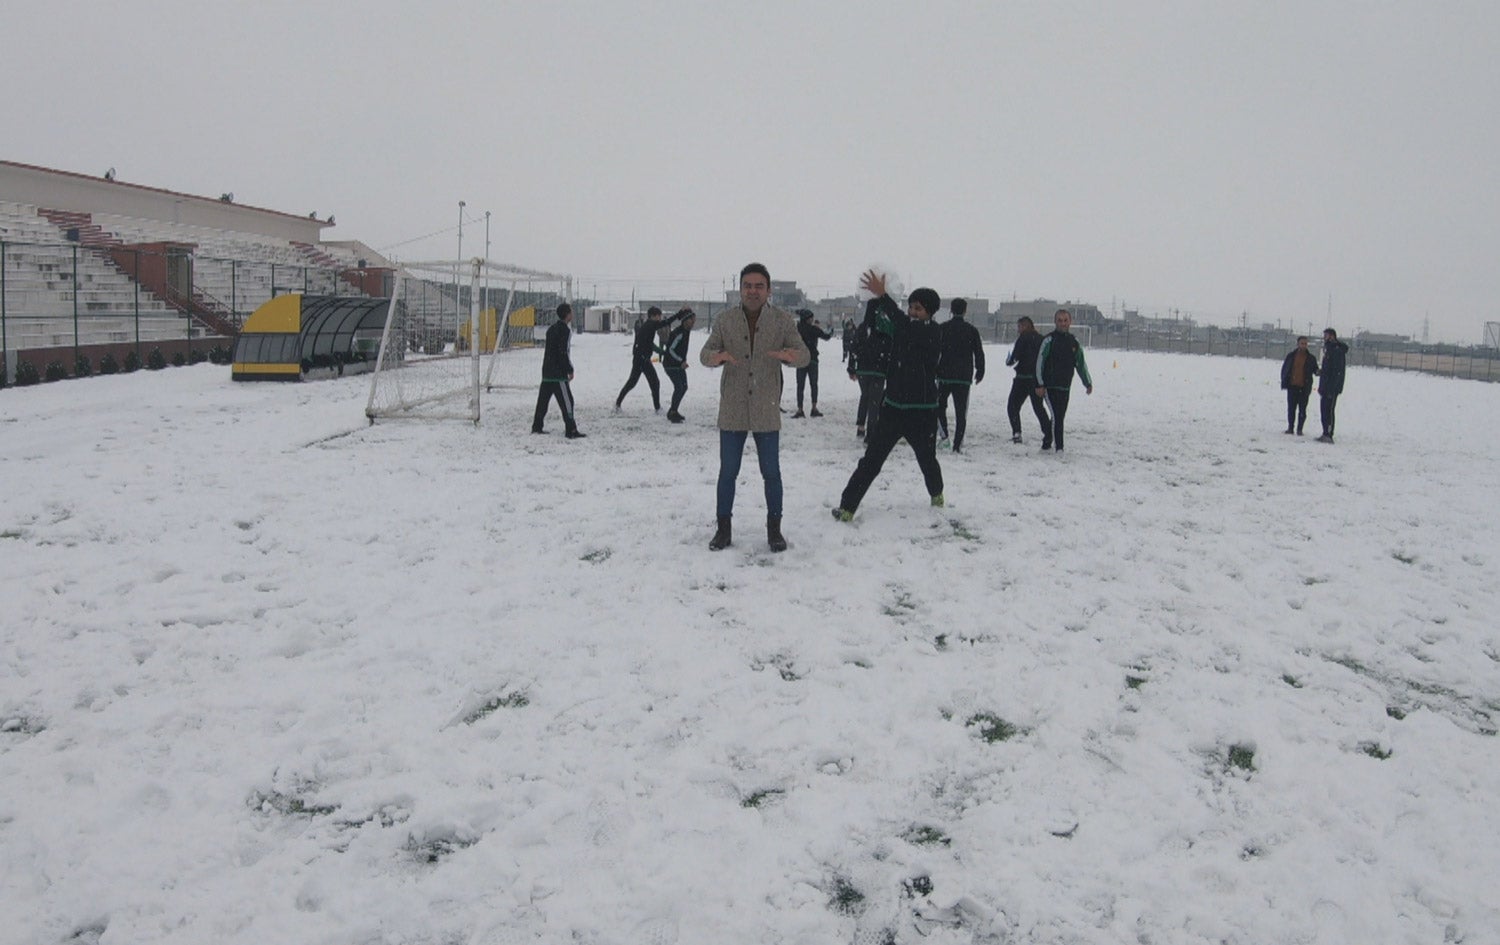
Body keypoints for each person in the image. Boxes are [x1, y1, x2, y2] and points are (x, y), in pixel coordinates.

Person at [699, 263, 810, 552]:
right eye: (747, 286)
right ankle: (723, 529)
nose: (753, 291)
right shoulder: (725, 320)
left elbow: (804, 355)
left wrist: (790, 356)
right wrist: (716, 357)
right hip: (733, 408)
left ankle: (774, 530)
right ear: (740, 289)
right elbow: (705, 353)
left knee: (771, 473)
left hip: (766, 407)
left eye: (759, 286)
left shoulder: (782, 321)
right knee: (728, 472)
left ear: (768, 290)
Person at [831, 271, 944, 521]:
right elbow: (877, 325)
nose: (912, 312)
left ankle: (937, 494)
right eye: (911, 307)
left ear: (930, 312)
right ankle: (847, 507)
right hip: (893, 408)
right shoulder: (902, 329)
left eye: (918, 309)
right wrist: (874, 300)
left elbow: (903, 324)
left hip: (922, 412)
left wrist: (884, 296)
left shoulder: (932, 332)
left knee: (927, 459)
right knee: (871, 460)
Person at [1034, 308, 1093, 452]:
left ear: (1070, 322)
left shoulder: (1074, 342)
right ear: (1055, 322)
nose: (1063, 323)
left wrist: (1087, 382)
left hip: (1065, 387)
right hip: (1049, 387)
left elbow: (1080, 364)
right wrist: (1039, 384)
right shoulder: (1049, 340)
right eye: (1060, 320)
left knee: (1059, 417)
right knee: (1057, 417)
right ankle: (1059, 448)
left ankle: (1047, 441)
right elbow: (1039, 363)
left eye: (1065, 320)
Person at [935, 298, 985, 453]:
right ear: (965, 311)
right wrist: (980, 370)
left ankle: (944, 437)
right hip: (963, 377)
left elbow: (934, 351)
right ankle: (957, 444)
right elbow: (979, 352)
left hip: (944, 375)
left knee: (938, 407)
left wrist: (933, 369)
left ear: (951, 310)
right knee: (961, 412)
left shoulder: (943, 328)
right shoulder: (971, 330)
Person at [532, 303, 586, 438]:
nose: (572, 314)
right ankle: (571, 429)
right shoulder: (565, 331)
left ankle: (537, 426)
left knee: (543, 402)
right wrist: (569, 369)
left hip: (547, 371)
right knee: (568, 402)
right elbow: (563, 352)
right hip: (558, 374)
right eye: (571, 312)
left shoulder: (551, 329)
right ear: (567, 314)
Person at [848, 303, 891, 440]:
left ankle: (861, 427)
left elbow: (853, 348)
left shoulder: (862, 327)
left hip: (863, 370)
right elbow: (890, 350)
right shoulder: (884, 328)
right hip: (879, 370)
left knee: (865, 396)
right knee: (874, 401)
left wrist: (852, 368)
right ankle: (871, 433)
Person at [1004, 316, 1050, 444]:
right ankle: (1048, 432)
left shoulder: (1022, 338)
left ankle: (1017, 432)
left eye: (1019, 326)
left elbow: (1014, 358)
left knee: (1013, 406)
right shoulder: (1042, 339)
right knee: (1038, 408)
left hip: (1022, 378)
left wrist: (1009, 361)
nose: (1018, 330)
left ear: (1025, 326)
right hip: (1037, 380)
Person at [615, 306, 664, 412]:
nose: (660, 318)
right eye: (659, 316)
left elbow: (649, 344)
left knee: (632, 382)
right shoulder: (649, 326)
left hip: (640, 359)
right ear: (654, 316)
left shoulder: (648, 326)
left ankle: (618, 403)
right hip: (643, 360)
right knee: (654, 382)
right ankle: (657, 408)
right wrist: (660, 352)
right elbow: (647, 344)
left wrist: (660, 351)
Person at [793, 308, 834, 418]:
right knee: (814, 384)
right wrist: (831, 329)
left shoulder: (797, 330)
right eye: (811, 318)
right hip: (812, 360)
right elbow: (826, 336)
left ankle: (800, 409)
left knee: (800, 385)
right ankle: (814, 408)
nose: (812, 319)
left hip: (800, 360)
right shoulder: (813, 329)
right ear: (807, 319)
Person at [1280, 335, 1319, 436]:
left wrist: (1320, 372)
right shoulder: (1291, 356)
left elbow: (1315, 370)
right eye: (1302, 343)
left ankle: (1300, 429)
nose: (1304, 345)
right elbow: (1285, 369)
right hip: (1292, 387)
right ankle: (1290, 428)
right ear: (1298, 344)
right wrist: (1285, 380)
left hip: (1304, 388)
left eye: (1305, 344)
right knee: (1291, 409)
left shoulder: (1311, 358)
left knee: (1302, 410)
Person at [662, 307, 696, 423]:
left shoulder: (686, 331)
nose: (693, 322)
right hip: (671, 365)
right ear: (685, 320)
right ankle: (672, 412)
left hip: (678, 364)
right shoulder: (679, 333)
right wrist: (681, 361)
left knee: (684, 387)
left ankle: (673, 410)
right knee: (679, 387)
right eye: (691, 320)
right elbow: (670, 350)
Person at [1317, 328, 1349, 443]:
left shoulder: (1337, 350)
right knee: (1323, 410)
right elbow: (1328, 369)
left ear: (1332, 336)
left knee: (1329, 411)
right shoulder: (1328, 349)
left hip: (1331, 388)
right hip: (1325, 387)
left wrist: (1332, 388)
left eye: (1326, 335)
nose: (1324, 338)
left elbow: (1336, 372)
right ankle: (1325, 432)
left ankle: (1329, 434)